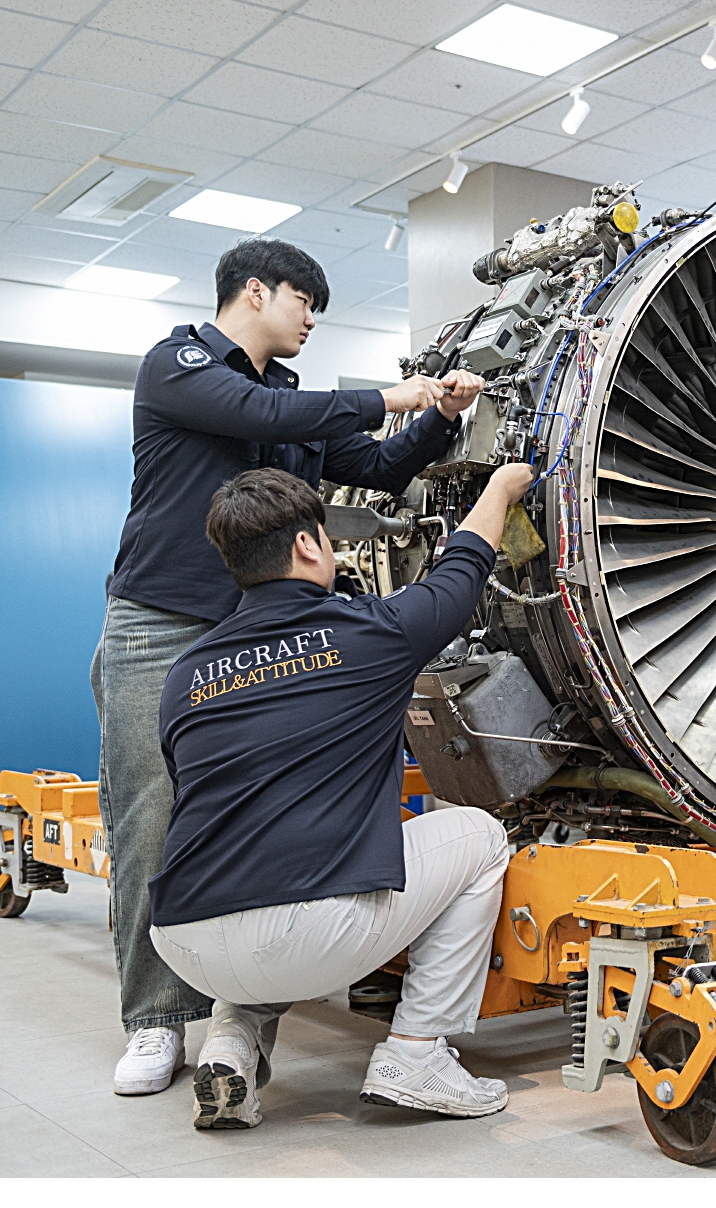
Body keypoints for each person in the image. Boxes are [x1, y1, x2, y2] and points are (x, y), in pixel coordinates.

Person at [95, 236, 485, 1096]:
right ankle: (155, 1020)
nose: (311, 319)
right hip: (160, 622)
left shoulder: (290, 404)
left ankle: (237, 1023)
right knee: (150, 815)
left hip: (261, 634)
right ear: (256, 291)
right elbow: (261, 415)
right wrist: (389, 395)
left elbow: (375, 466)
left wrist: (438, 418)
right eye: (304, 301)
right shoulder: (180, 365)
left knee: (270, 823)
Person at [148, 461, 533, 1129]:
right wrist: (500, 488)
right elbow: (461, 572)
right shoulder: (371, 633)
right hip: (301, 939)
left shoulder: (186, 672)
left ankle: (231, 1047)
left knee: (251, 874)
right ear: (306, 545)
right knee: (479, 836)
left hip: (183, 938)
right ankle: (416, 1053)